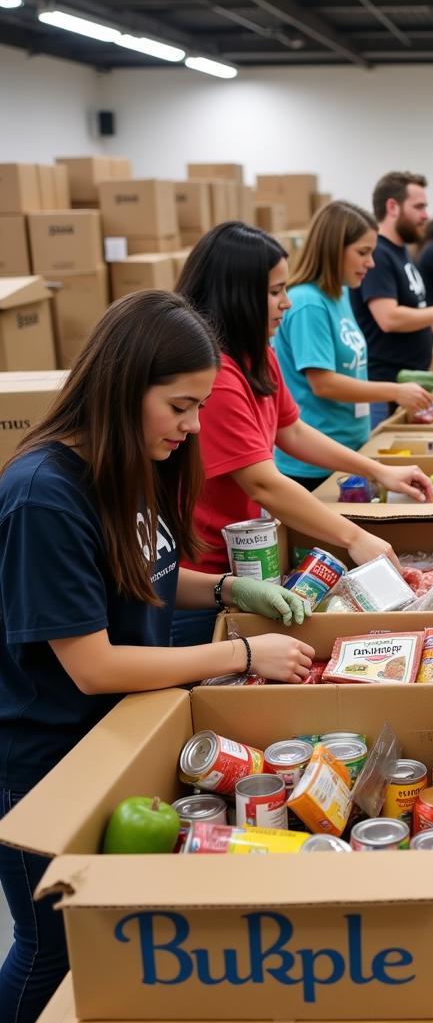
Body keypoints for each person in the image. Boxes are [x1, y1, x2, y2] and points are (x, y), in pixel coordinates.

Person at [0, 291, 317, 1023]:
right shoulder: (43, 498)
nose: (193, 425)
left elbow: (145, 575)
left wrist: (229, 589)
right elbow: (94, 664)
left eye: (200, 405)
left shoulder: (128, 461)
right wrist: (239, 652)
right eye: (180, 405)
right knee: (52, 947)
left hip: (112, 740)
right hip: (45, 762)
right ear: (122, 385)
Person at [173, 222, 433, 646]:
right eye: (275, 292)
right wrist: (354, 536)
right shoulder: (215, 376)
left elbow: (290, 430)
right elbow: (261, 482)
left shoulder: (258, 355)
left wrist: (379, 471)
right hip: (202, 574)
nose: (286, 303)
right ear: (236, 293)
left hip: (247, 557)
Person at [272, 200, 433, 489]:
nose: (370, 263)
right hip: (314, 466)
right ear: (334, 250)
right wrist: (394, 391)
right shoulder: (309, 303)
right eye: (363, 253)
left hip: (349, 449)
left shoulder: (341, 294)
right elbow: (324, 383)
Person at [350, 172, 433, 428]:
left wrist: (428, 323)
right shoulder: (379, 254)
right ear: (392, 207)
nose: (426, 215)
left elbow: (408, 307)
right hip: (384, 390)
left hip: (405, 386)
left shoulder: (401, 250)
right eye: (419, 207)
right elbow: (388, 318)